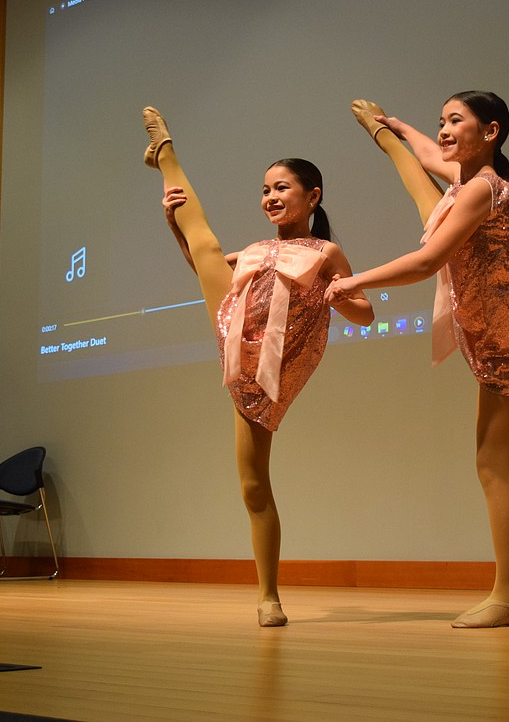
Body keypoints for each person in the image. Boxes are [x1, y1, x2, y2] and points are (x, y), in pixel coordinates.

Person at [327, 92, 509, 628]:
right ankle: (507, 595)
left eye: (457, 121)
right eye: (442, 121)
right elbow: (428, 155)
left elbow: (428, 261)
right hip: (495, 316)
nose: (445, 130)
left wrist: (352, 281)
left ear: (491, 132)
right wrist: (395, 127)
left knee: (493, 464)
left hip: (507, 326)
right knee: (490, 463)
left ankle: (508, 597)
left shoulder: (483, 189)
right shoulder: (468, 182)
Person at [142, 106, 374, 626]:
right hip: (234, 338)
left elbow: (364, 314)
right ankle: (166, 157)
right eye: (265, 188)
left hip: (273, 366)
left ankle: (271, 594)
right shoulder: (254, 250)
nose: (270, 196)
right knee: (205, 243)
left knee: (253, 486)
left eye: (282, 187)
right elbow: (203, 267)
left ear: (312, 197)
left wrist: (338, 290)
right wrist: (174, 227)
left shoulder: (325, 251)